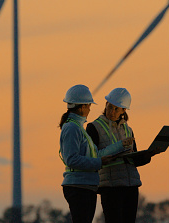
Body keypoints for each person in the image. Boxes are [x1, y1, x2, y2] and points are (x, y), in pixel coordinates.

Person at [86, 87, 156, 223]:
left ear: (124, 110)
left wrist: (149, 155)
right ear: (105, 104)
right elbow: (92, 157)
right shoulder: (94, 127)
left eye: (116, 109)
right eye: (109, 106)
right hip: (110, 187)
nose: (111, 111)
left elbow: (133, 159)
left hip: (131, 185)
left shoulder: (128, 129)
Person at [59, 84, 118, 223]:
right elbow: (72, 159)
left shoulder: (78, 127)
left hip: (86, 186)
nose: (90, 109)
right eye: (88, 105)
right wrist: (99, 162)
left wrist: (121, 146)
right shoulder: (72, 128)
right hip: (78, 186)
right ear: (82, 107)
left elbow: (95, 153)